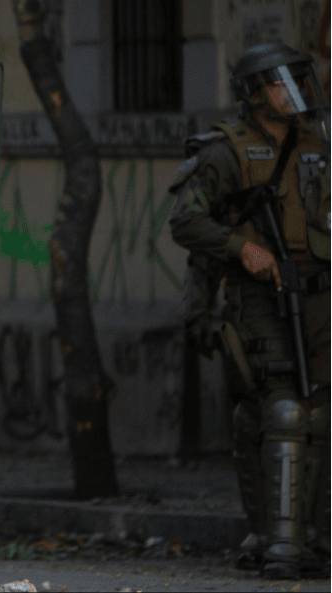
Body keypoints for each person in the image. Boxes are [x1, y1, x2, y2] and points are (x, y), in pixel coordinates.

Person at [168, 41, 330, 580]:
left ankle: (317, 535)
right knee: (282, 410)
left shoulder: (319, 144)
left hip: (319, 295)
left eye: (297, 79)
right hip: (261, 297)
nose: (295, 91)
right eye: (282, 82)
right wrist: (246, 251)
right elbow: (185, 223)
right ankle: (280, 543)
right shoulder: (226, 150)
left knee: (323, 413)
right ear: (256, 95)